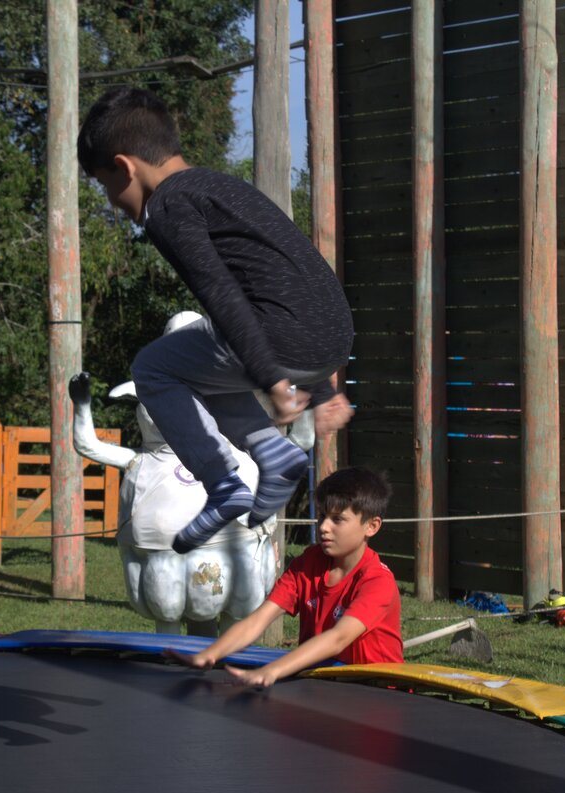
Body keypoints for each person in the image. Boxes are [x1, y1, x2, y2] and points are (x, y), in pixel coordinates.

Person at [77, 87, 355, 554]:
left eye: (107, 186)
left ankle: (224, 485)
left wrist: (272, 380)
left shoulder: (168, 205)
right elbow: (293, 273)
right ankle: (273, 453)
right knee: (198, 364)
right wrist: (323, 387)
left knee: (153, 368)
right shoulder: (220, 185)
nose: (112, 201)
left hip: (281, 336)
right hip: (332, 335)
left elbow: (219, 292)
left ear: (125, 167)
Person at [166, 468, 402, 687]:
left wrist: (272, 670)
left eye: (337, 519)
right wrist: (210, 654)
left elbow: (338, 638)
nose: (324, 527)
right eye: (322, 516)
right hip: (326, 684)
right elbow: (259, 619)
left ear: (372, 526)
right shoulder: (308, 563)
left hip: (379, 692)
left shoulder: (377, 581)